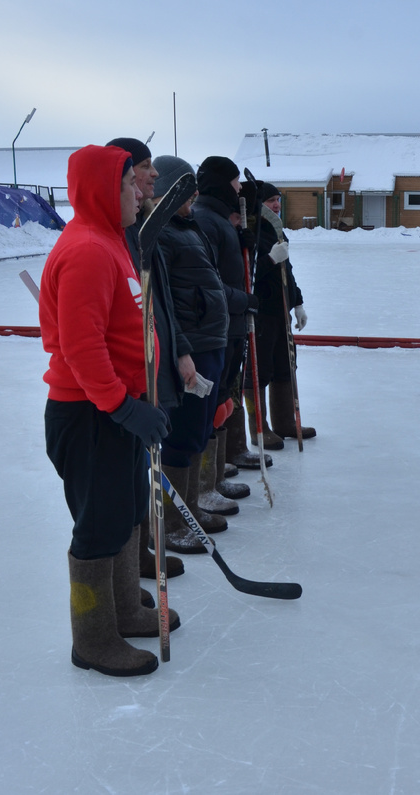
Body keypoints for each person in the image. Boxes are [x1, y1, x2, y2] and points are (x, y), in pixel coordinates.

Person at [40, 144, 178, 677]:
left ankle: (124, 610)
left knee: (124, 514)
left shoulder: (113, 244)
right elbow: (82, 347)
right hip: (90, 416)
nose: (138, 193)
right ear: (105, 189)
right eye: (129, 185)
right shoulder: (89, 251)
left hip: (115, 411)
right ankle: (93, 638)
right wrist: (123, 407)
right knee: (98, 528)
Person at [106, 137, 188, 584]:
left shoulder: (139, 231)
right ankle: (126, 579)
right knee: (114, 500)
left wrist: (175, 351)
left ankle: (140, 560)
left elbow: (158, 304)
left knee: (136, 484)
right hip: (116, 394)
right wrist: (124, 400)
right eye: (143, 169)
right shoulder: (107, 240)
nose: (151, 178)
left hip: (144, 377)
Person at [152, 155, 230, 552]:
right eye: (185, 188)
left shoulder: (190, 226)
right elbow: (161, 302)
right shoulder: (161, 234)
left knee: (200, 431)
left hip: (210, 341)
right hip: (192, 348)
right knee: (181, 439)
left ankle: (191, 509)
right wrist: (181, 348)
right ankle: (173, 523)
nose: (194, 195)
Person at [192, 156, 256, 515]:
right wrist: (244, 301)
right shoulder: (206, 220)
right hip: (216, 328)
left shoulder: (219, 220)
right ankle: (202, 487)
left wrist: (247, 240)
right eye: (234, 182)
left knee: (219, 404)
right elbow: (211, 284)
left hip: (229, 326)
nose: (238, 189)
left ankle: (212, 480)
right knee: (209, 407)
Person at [253, 182, 315, 442]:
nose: (276, 205)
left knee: (285, 365)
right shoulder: (251, 232)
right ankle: (259, 429)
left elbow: (286, 272)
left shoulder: (278, 232)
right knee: (261, 369)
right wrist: (269, 259)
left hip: (281, 311)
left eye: (278, 200)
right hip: (262, 312)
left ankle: (285, 422)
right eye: (270, 201)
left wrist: (297, 302)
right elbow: (251, 275)